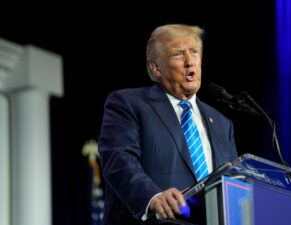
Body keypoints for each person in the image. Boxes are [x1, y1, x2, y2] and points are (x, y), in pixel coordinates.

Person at [98, 24, 238, 225]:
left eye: (194, 52)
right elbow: (118, 159)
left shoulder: (223, 124)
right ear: (156, 68)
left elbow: (232, 182)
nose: (190, 62)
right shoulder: (128, 104)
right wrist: (152, 197)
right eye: (178, 54)